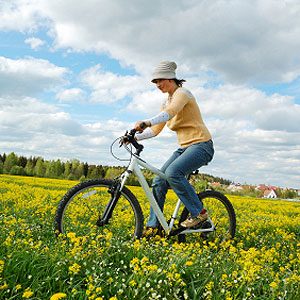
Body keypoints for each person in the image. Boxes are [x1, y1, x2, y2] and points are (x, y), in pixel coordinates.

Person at [134, 61, 214, 235]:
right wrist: (134, 136)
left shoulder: (182, 94)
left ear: (170, 78)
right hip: (184, 148)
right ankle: (154, 227)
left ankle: (199, 213)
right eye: (155, 82)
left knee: (172, 173)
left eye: (159, 80)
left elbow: (171, 112)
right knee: (159, 180)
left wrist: (146, 122)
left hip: (201, 145)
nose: (157, 85)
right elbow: (155, 131)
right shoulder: (166, 102)